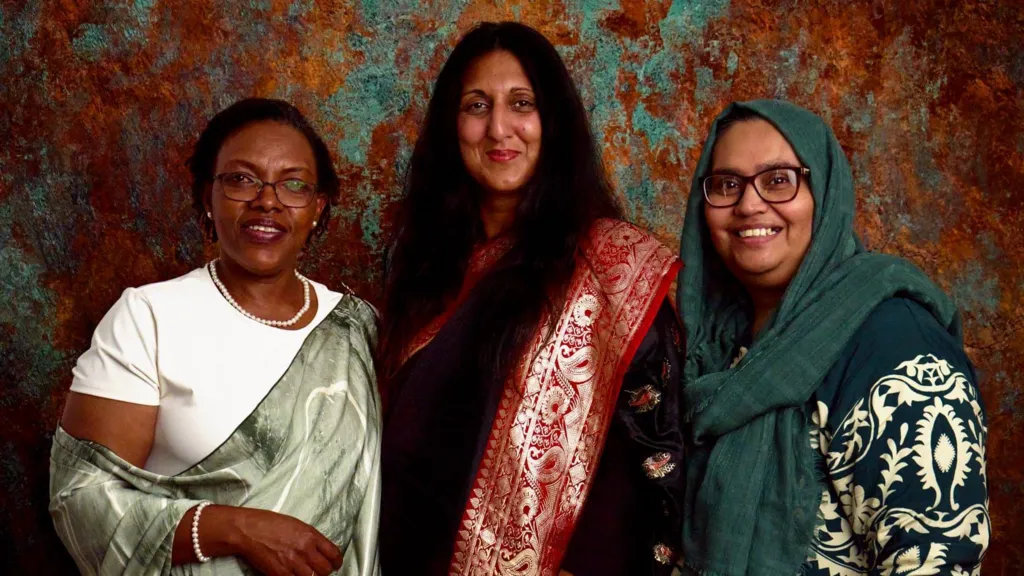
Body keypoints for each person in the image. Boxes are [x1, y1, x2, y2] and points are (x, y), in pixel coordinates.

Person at [377, 22, 684, 576]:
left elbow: (661, 462)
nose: (499, 128)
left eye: (523, 103)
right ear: (452, 125)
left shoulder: (609, 268)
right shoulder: (423, 270)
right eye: (476, 105)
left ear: (554, 122)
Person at [49, 98, 381, 576]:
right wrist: (233, 528)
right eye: (241, 179)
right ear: (208, 196)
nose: (267, 201)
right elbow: (79, 502)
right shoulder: (149, 317)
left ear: (316, 208)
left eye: (293, 184)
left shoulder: (356, 328)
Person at [676, 99, 989, 575]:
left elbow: (935, 559)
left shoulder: (893, 344)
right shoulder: (721, 349)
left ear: (825, 193)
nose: (748, 204)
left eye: (778, 180)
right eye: (726, 184)